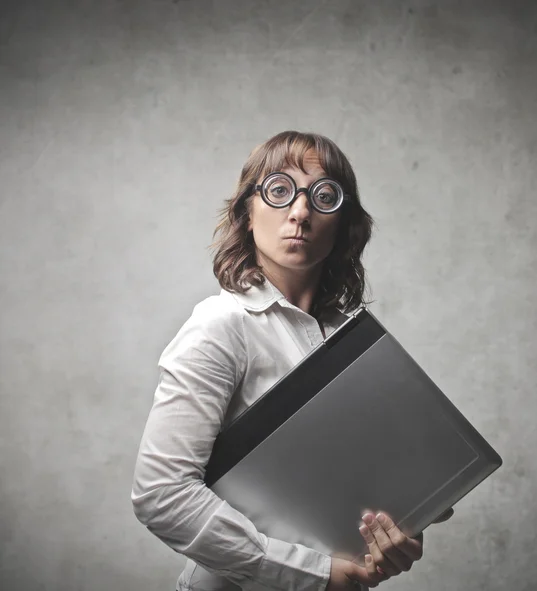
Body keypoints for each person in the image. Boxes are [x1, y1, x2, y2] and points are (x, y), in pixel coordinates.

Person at [131, 130, 452, 591]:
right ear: (247, 210)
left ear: (344, 223)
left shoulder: (352, 337)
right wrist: (312, 574)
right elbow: (161, 496)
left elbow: (365, 475)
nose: (300, 212)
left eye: (323, 197)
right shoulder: (221, 326)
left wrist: (397, 532)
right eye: (279, 191)